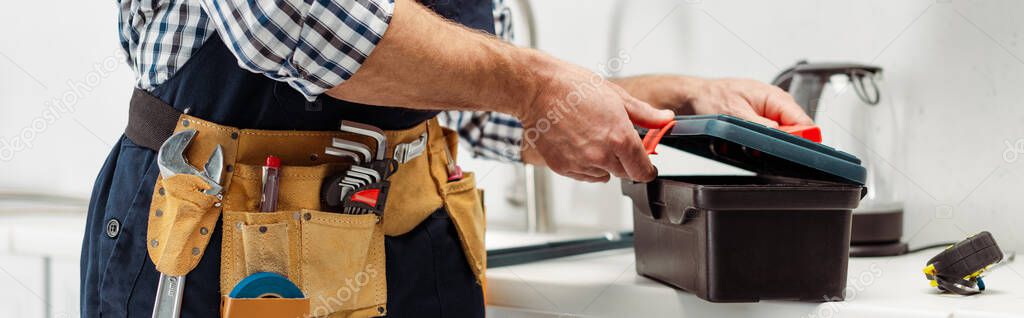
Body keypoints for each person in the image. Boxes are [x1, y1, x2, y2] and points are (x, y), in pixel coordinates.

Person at [82, 0, 813, 317]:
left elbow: (456, 97)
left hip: (416, 243)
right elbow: (288, 19)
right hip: (223, 238)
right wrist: (536, 88)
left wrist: (653, 106)